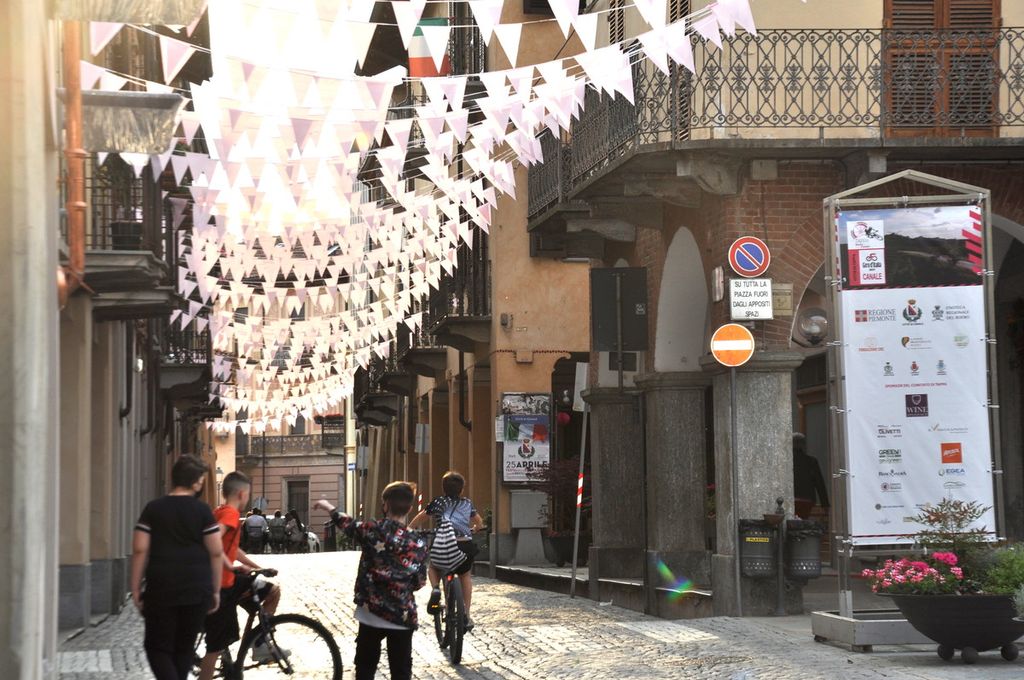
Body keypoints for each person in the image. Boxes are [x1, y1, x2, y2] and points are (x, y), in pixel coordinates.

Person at [316, 482, 427, 680]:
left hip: (371, 612)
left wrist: (329, 507)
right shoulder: (417, 542)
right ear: (410, 508)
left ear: (385, 505)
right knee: (401, 671)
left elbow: (348, 524)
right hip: (401, 614)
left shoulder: (372, 530)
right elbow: (419, 581)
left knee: (365, 667)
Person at [130, 455, 222, 680]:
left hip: (161, 587)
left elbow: (140, 549)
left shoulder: (153, 509)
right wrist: (216, 590)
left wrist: (135, 587)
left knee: (157, 647)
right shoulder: (202, 511)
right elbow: (216, 552)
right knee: (184, 648)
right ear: (195, 482)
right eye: (201, 479)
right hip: (196, 588)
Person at [198, 472, 284, 680]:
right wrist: (230, 565)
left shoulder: (219, 511)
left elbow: (233, 549)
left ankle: (251, 645)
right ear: (241, 494)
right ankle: (259, 643)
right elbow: (213, 539)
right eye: (248, 494)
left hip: (227, 580)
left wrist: (257, 567)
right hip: (223, 584)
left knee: (268, 590)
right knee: (214, 648)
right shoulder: (230, 514)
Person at [409, 471, 483, 630]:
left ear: (443, 488)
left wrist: (409, 528)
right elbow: (479, 522)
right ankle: (466, 614)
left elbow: (422, 516)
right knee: (465, 575)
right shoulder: (467, 503)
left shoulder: (438, 502)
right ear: (461, 489)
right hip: (464, 545)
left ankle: (436, 589)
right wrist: (476, 528)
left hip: (443, 544)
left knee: (433, 567)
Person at [793, 432, 830, 520]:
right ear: (803, 445)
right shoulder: (811, 461)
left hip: (791, 498)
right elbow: (819, 483)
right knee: (803, 521)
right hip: (807, 499)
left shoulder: (787, 461)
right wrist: (825, 504)